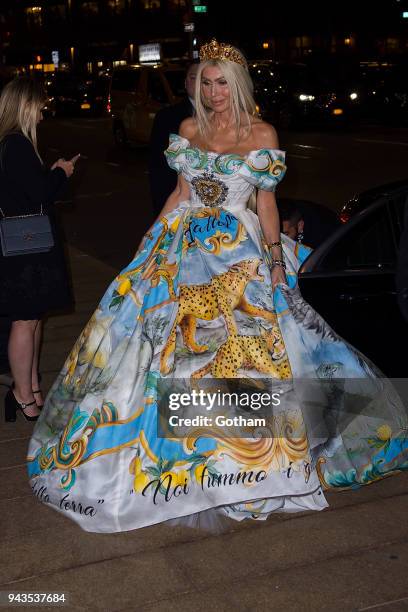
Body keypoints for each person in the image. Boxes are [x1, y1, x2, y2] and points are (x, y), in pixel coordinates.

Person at [27, 40, 408, 533]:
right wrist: (148, 241)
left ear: (239, 82)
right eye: (205, 82)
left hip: (238, 252)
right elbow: (180, 193)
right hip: (181, 248)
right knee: (162, 351)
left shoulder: (262, 132)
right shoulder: (189, 130)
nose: (213, 92)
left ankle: (246, 465)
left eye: (222, 82)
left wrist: (274, 260)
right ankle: (173, 458)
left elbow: (266, 203)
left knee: (248, 355)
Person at [0, 77, 77, 422]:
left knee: (32, 319)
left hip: (26, 246)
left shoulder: (11, 143)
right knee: (24, 320)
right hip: (24, 250)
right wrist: (60, 173)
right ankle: (21, 392)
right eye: (39, 108)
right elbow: (39, 193)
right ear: (25, 106)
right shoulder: (15, 144)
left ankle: (30, 387)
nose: (42, 115)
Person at [148, 62, 198, 215]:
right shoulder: (167, 117)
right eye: (193, 77)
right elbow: (159, 168)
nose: (197, 83)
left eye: (203, 79)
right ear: (185, 82)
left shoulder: (226, 118)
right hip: (180, 205)